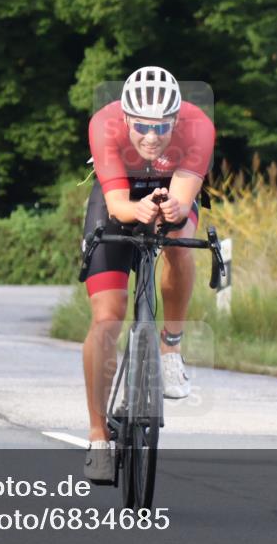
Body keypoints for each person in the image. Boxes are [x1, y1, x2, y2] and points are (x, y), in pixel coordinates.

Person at [81, 66, 215, 482]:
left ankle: (170, 348)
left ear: (177, 118)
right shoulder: (103, 123)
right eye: (141, 125)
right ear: (125, 118)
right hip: (118, 196)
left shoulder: (198, 128)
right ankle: (98, 436)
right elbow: (118, 203)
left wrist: (170, 210)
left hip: (171, 188)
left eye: (161, 126)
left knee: (179, 240)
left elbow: (182, 196)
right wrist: (133, 211)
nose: (151, 136)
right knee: (107, 317)